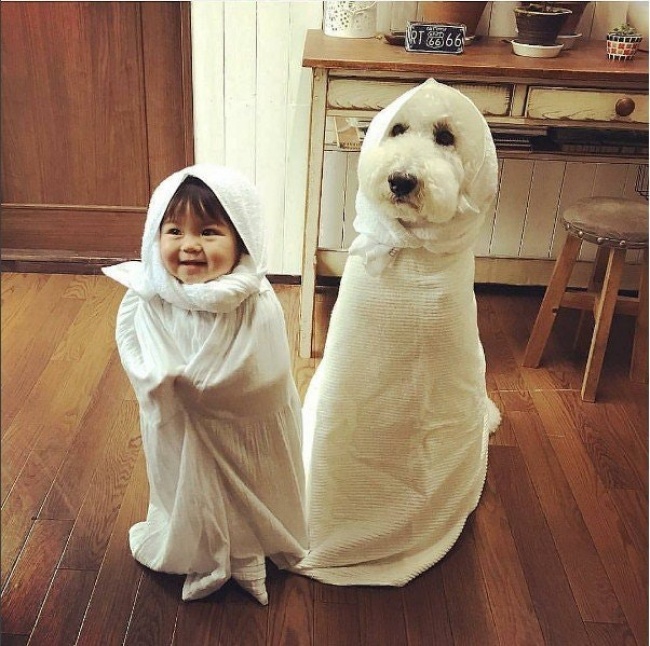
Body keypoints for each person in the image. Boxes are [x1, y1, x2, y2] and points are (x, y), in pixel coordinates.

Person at [102, 164, 308, 604]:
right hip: (178, 429)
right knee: (184, 485)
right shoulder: (148, 297)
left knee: (249, 486)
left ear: (242, 240)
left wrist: (201, 390)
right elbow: (135, 349)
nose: (190, 245)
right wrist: (160, 383)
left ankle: (249, 547)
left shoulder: (254, 301)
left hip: (243, 432)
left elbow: (266, 375)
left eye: (209, 232)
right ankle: (198, 546)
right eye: (174, 230)